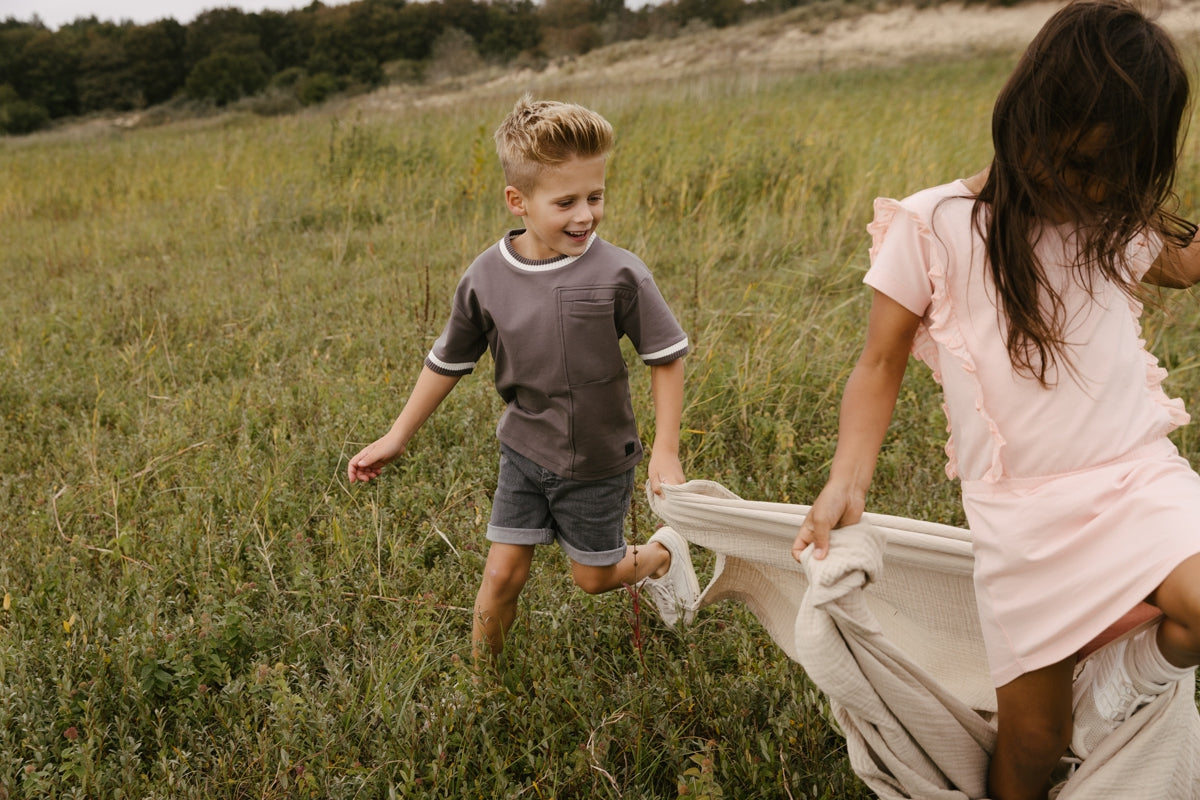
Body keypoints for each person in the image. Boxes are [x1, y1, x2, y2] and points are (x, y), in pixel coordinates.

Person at [790, 2, 1200, 798]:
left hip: (1135, 478)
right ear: (1029, 120)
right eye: (1081, 164)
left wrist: (1130, 208)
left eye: (1115, 173)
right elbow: (878, 365)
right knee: (1031, 747)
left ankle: (1115, 686)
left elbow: (1187, 265)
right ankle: (1072, 724)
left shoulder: (1110, 219)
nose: (1092, 188)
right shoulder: (934, 223)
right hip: (1025, 521)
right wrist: (847, 479)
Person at [348, 95, 699, 662]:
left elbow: (665, 357)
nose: (585, 215)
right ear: (519, 201)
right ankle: (484, 689)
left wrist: (666, 450)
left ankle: (661, 556)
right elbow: (448, 361)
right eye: (566, 202)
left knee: (593, 577)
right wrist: (396, 437)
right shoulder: (486, 276)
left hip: (598, 459)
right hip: (524, 452)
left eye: (595, 196)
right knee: (502, 574)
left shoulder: (621, 274)